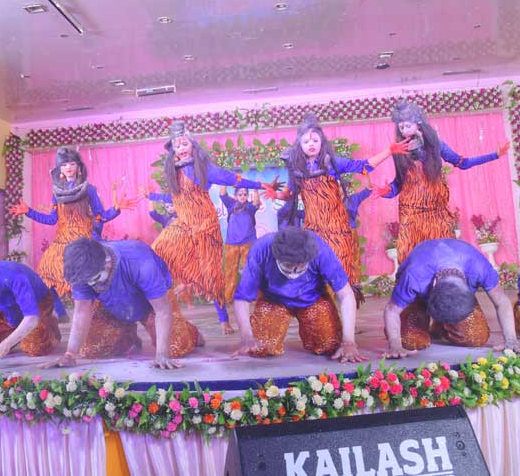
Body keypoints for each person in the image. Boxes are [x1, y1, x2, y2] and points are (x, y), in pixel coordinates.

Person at [267, 114, 408, 293]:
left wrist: (389, 151)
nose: (311, 144)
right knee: (316, 274)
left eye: (315, 140)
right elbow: (290, 194)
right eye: (306, 141)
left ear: (322, 142)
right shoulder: (296, 168)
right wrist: (277, 195)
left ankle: (345, 305)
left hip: (338, 229)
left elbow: (363, 166)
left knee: (341, 272)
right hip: (314, 230)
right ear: (300, 145)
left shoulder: (333, 163)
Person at [145, 121, 280, 308]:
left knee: (213, 277)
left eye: (185, 144)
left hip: (205, 226)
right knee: (158, 248)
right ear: (173, 151)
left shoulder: (202, 169)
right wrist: (151, 196)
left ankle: (227, 315)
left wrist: (260, 185)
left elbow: (232, 179)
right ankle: (187, 282)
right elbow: (174, 198)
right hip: (185, 225)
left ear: (193, 145)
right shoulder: (175, 174)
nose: (181, 148)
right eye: (177, 145)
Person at [375, 101, 510, 262]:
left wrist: (495, 155)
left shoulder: (435, 144)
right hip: (410, 216)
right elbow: (399, 183)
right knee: (411, 259)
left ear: (419, 123)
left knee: (442, 257)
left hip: (436, 214)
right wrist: (387, 191)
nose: (404, 130)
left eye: (407, 125)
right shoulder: (399, 150)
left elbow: (463, 163)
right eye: (401, 127)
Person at [52, 238, 202, 369]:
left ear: (107, 263)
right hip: (113, 306)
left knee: (175, 348)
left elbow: (162, 311)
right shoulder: (82, 270)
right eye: (88, 282)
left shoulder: (141, 261)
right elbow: (81, 311)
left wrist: (162, 355)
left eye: (95, 279)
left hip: (152, 305)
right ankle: (127, 334)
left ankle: (190, 332)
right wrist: (70, 354)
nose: (92, 285)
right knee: (91, 350)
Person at [9, 147, 133, 299]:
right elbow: (51, 220)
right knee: (48, 273)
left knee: (86, 278)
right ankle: (59, 310)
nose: (68, 167)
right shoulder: (56, 192)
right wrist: (28, 211)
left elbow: (100, 216)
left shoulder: (89, 190)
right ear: (60, 169)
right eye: (64, 164)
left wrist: (116, 209)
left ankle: (88, 307)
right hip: (60, 243)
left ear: (79, 167)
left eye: (72, 164)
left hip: (82, 241)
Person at [232, 227, 367, 362]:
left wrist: (349, 342)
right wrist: (246, 337)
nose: (293, 274)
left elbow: (346, 295)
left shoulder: (320, 250)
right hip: (273, 300)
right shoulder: (261, 249)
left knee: (330, 346)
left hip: (313, 300)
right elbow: (242, 298)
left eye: (299, 268)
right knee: (259, 348)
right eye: (287, 267)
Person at [382, 238, 520, 358]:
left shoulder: (479, 268)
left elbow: (502, 302)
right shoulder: (414, 276)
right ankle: (425, 320)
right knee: (411, 341)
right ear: (433, 284)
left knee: (475, 336)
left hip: (456, 297)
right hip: (417, 296)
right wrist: (395, 345)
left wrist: (511, 339)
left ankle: (439, 328)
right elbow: (391, 310)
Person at [217, 186, 261, 334]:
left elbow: (256, 202)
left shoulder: (250, 207)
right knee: (229, 274)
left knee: (251, 272)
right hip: (232, 244)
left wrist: (256, 189)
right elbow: (222, 193)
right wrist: (223, 181)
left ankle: (254, 297)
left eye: (245, 194)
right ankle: (228, 298)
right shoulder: (231, 205)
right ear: (235, 195)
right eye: (240, 194)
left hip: (248, 243)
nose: (242, 196)